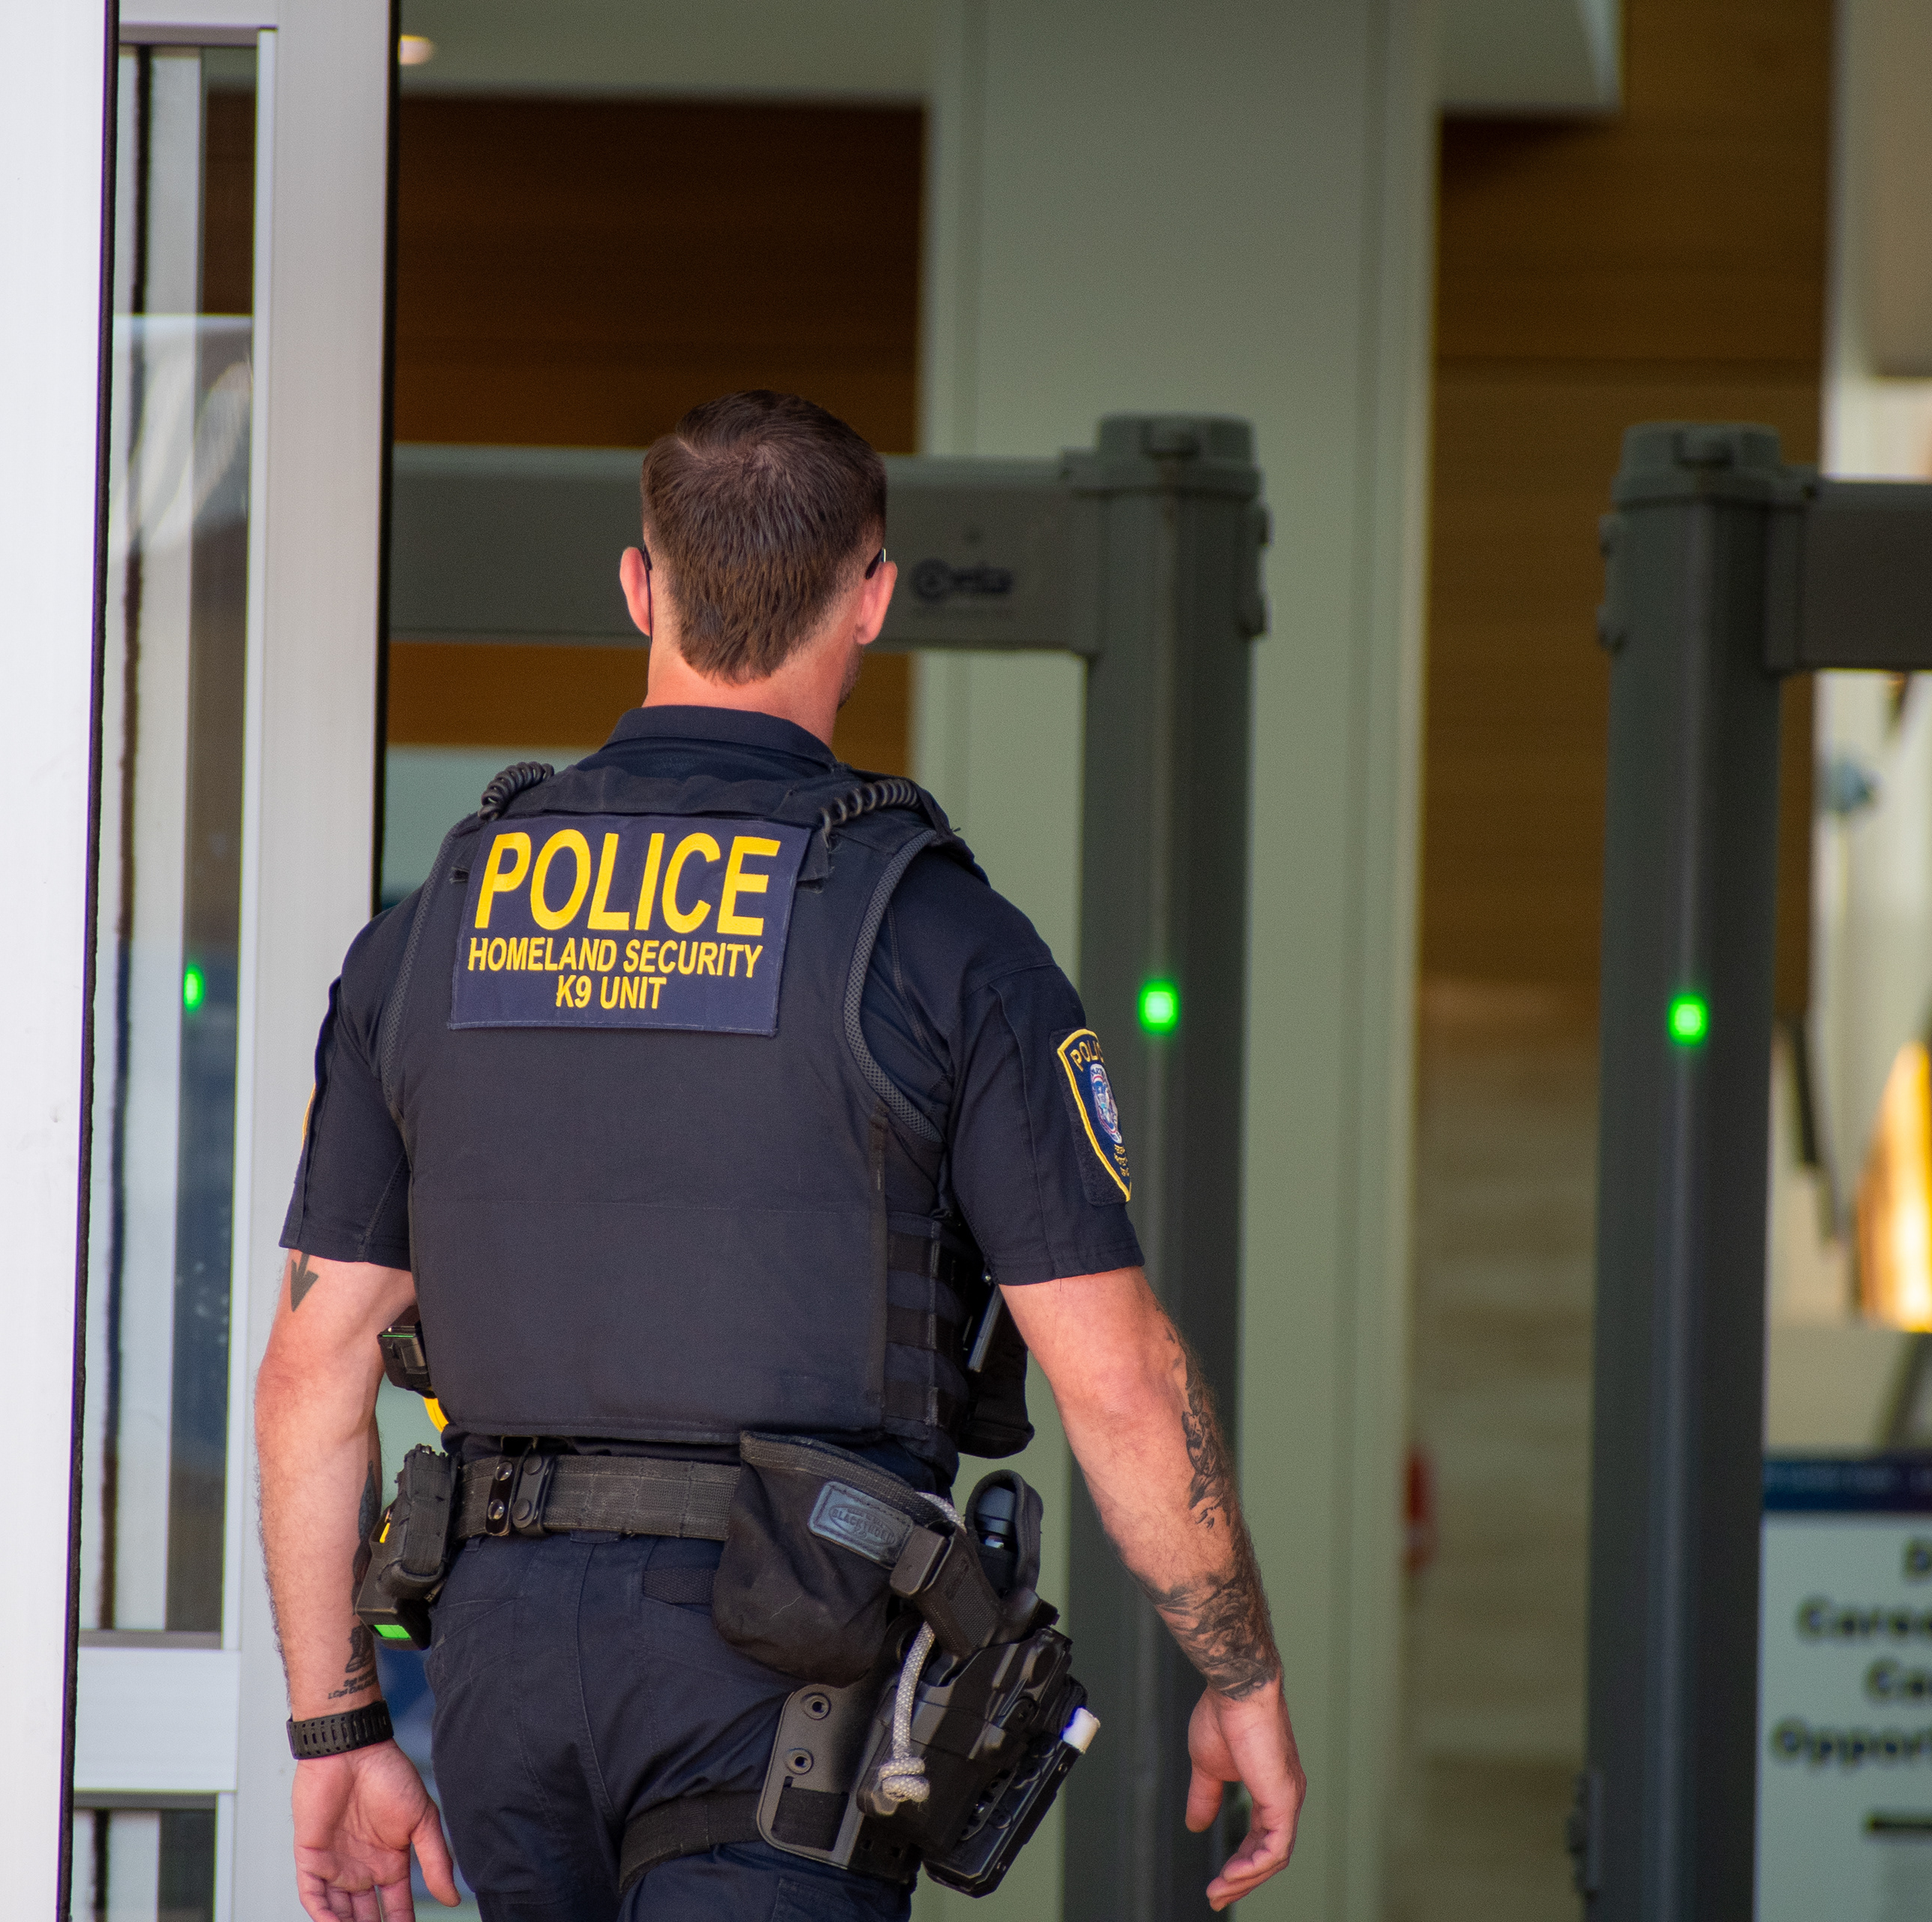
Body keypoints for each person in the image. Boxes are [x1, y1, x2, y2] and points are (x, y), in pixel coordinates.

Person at [256, 390, 1303, 1922]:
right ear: (872, 595)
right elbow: (1119, 1377)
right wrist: (1239, 1669)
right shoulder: (946, 939)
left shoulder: (435, 927)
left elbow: (311, 1367)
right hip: (783, 1664)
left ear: (641, 584)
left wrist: (338, 1724)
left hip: (504, 1667)